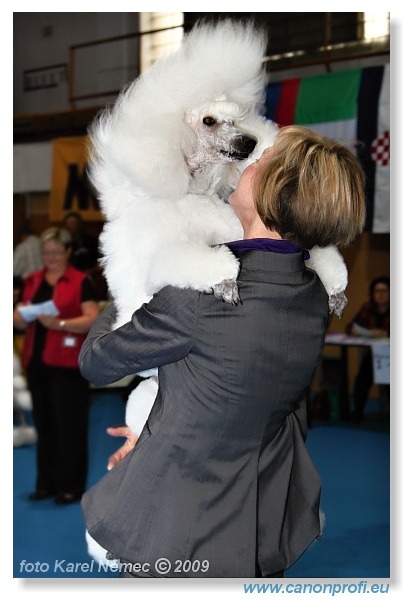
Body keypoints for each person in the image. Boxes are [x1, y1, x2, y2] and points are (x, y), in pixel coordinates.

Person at [79, 125, 365, 578]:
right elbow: (245, 402)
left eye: (261, 163)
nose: (248, 164)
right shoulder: (312, 294)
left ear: (274, 190)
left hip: (180, 533)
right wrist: (156, 437)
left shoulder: (199, 294)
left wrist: (127, 278)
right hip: (256, 519)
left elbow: (96, 363)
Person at [13, 227, 99, 504]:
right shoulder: (33, 280)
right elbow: (20, 318)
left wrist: (60, 323)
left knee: (69, 426)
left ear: (67, 252)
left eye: (55, 252)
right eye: (45, 252)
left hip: (67, 364)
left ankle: (71, 486)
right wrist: (19, 316)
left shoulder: (80, 280)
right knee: (46, 425)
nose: (49, 257)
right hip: (36, 363)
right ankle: (46, 483)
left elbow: (91, 318)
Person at [346, 276, 390, 424]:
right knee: (362, 379)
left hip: (393, 356)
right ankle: (357, 411)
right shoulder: (368, 307)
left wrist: (385, 333)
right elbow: (351, 327)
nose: (381, 294)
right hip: (373, 354)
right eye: (377, 291)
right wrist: (359, 331)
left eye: (384, 290)